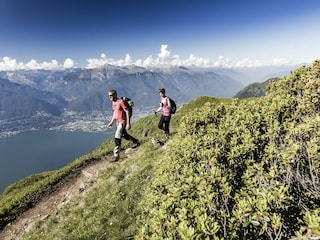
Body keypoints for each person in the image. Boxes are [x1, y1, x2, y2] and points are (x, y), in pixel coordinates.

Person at [107, 89, 140, 162]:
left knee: (117, 136)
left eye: (111, 95)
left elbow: (127, 111)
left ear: (115, 95)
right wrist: (112, 122)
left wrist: (128, 123)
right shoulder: (113, 102)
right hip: (118, 121)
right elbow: (115, 112)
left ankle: (116, 155)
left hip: (123, 121)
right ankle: (136, 141)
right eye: (109, 95)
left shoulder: (121, 102)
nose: (110, 97)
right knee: (124, 135)